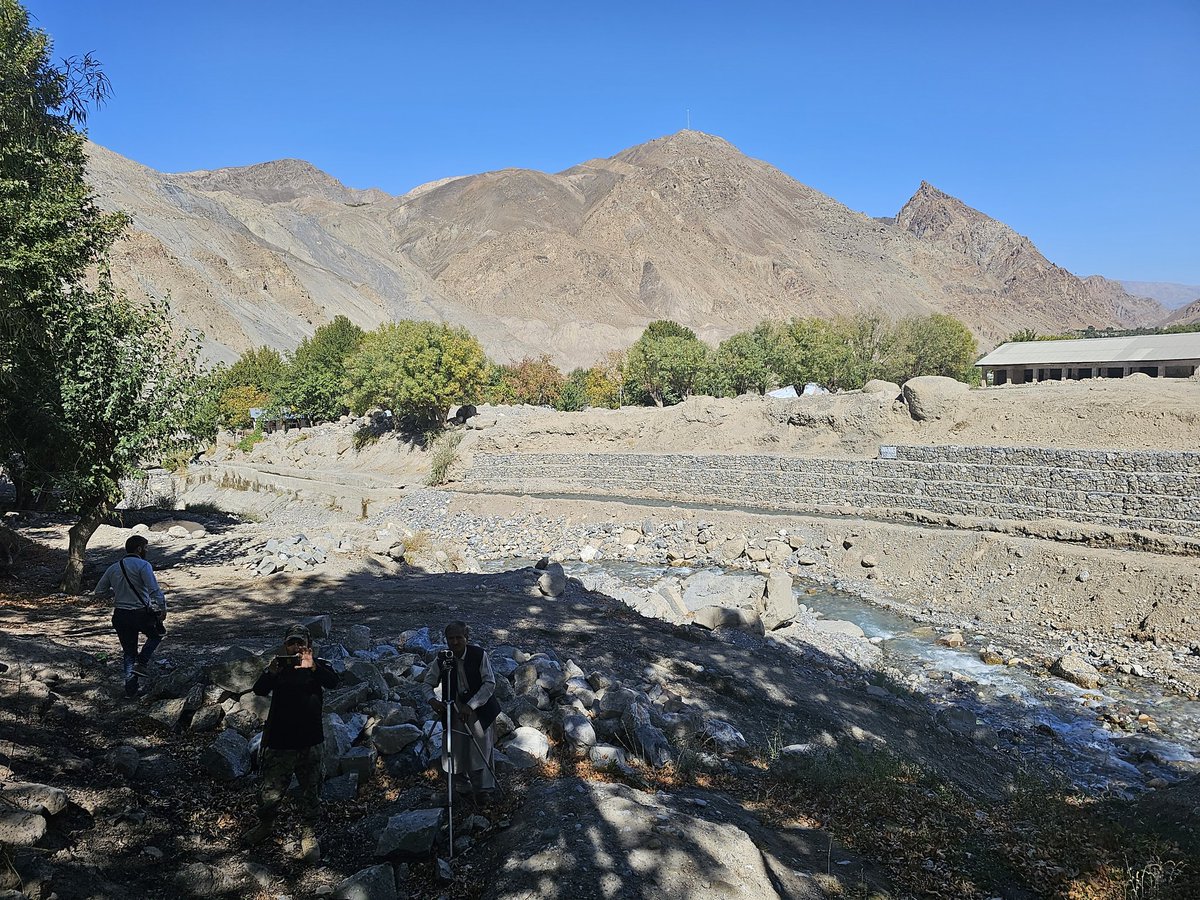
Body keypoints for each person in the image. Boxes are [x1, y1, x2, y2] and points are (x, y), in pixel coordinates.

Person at [242, 624, 338, 863]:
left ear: (309, 645)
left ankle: (308, 833)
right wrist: (271, 672)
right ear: (285, 645)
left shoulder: (318, 666)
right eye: (291, 643)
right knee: (269, 793)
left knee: (311, 791)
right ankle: (266, 824)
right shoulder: (279, 669)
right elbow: (259, 690)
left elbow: (334, 682)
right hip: (279, 741)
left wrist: (313, 666)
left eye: (300, 643)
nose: (296, 648)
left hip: (310, 741)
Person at [423, 620, 502, 806]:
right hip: (453, 709)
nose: (455, 642)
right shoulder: (442, 659)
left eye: (459, 637)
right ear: (447, 640)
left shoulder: (479, 655)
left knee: (481, 749)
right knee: (453, 749)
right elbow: (427, 683)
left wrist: (472, 705)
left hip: (479, 708)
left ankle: (483, 792)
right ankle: (460, 788)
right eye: (451, 638)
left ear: (467, 638)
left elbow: (489, 683)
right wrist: (432, 700)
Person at [94, 534, 167, 698]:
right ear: (139, 549)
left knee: (128, 652)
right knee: (157, 635)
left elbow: (99, 591)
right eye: (146, 548)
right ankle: (142, 662)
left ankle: (130, 691)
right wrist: (162, 607)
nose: (147, 551)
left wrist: (119, 593)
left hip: (120, 614)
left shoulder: (113, 567)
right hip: (140, 613)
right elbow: (154, 590)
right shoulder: (143, 565)